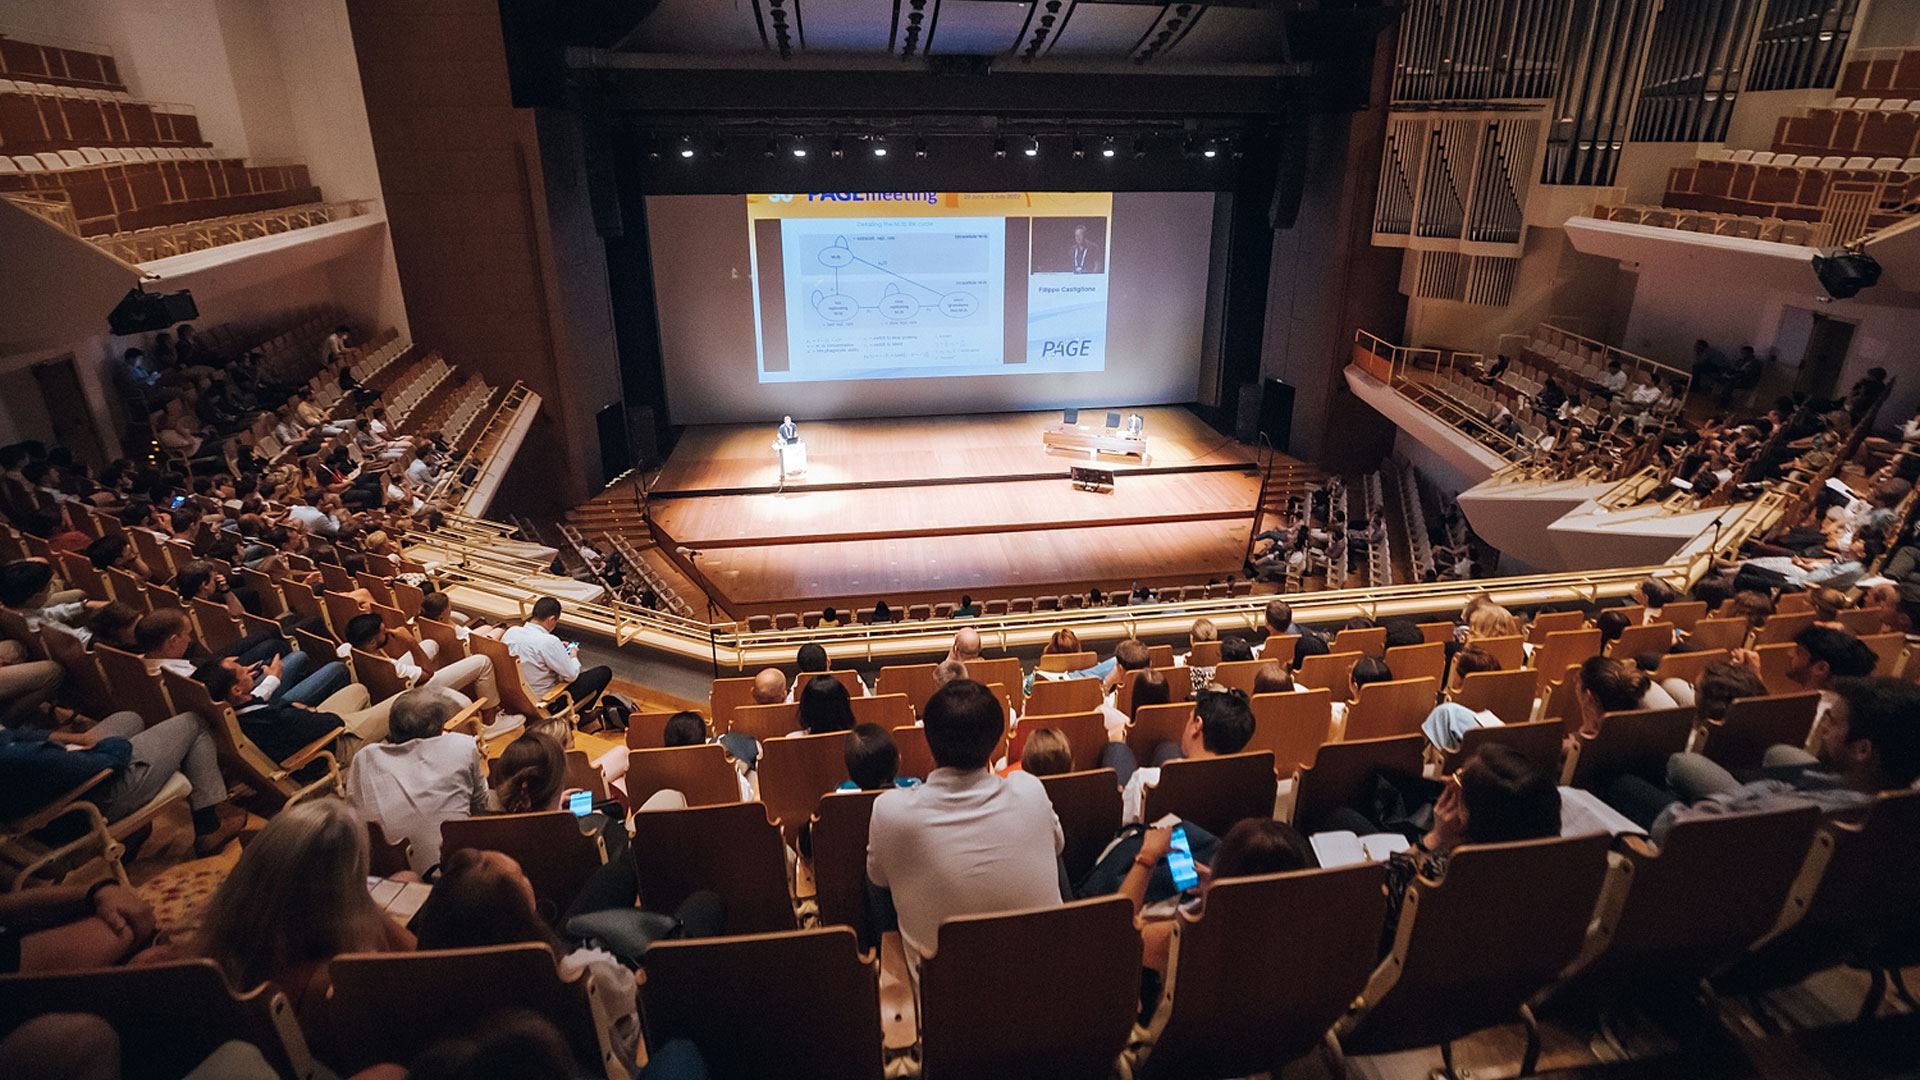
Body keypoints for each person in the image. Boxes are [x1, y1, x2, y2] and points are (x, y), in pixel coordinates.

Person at [866, 679, 1064, 964]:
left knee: (877, 872)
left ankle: (885, 954)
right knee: (1048, 842)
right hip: (1048, 982)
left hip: (945, 1001)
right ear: (999, 739)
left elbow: (878, 882)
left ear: (928, 740)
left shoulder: (890, 810)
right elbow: (1058, 849)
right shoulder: (1030, 789)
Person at [414, 848, 645, 1070]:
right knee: (618, 877)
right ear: (518, 909)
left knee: (614, 875)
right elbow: (639, 1016)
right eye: (520, 876)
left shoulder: (419, 986)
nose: (527, 879)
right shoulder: (584, 974)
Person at [187, 798, 414, 1022]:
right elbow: (419, 964)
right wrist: (359, 901)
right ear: (341, 895)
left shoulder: (209, 946)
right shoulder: (335, 982)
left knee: (405, 878)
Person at [1634, 678, 1920, 841]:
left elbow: (1679, 831)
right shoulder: (1904, 803)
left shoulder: (1795, 812)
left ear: (1862, 749)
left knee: (1631, 782)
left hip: (1716, 835)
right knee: (1778, 753)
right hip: (1802, 794)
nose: (1821, 726)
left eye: (1830, 721)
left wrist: (1757, 794)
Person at [1378, 745, 1561, 953]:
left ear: (1465, 818)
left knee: (1344, 817)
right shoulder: (1549, 876)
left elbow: (1375, 894)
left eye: (1459, 784)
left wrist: (1434, 838)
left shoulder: (1438, 882)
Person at [0, 708, 245, 856]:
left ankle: (140, 829)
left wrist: (78, 738)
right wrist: (98, 745)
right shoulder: (19, 760)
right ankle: (209, 827)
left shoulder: (16, 756)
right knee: (194, 721)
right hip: (95, 795)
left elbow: (8, 736)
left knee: (129, 718)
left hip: (72, 770)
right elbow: (109, 761)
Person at [1123, 818, 1314, 976]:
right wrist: (1215, 888)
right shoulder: (1307, 940)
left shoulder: (1185, 940)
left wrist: (1147, 856)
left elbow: (1116, 937)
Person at [344, 687, 489, 873]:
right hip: (455, 870)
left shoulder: (363, 758)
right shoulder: (462, 745)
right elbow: (480, 805)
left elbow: (355, 812)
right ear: (439, 727)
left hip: (385, 872)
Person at [340, 613, 508, 733]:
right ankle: (490, 722)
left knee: (429, 644)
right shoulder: (394, 667)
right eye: (384, 632)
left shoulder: (346, 650)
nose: (389, 632)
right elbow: (428, 673)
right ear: (371, 642)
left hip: (385, 682)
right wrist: (410, 641)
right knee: (482, 661)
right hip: (407, 695)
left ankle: (442, 702)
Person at [1111, 689, 1257, 823]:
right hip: (1216, 847)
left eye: (1190, 718)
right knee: (1166, 746)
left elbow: (1126, 834)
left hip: (1160, 848)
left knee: (1116, 749)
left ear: (1197, 726)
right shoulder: (1250, 787)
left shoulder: (1146, 780)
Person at [501, 597, 613, 709]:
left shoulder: (511, 632)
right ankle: (582, 714)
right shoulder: (549, 642)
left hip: (513, 698)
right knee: (603, 672)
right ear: (551, 619)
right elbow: (571, 676)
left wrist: (557, 647)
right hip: (544, 701)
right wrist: (573, 656)